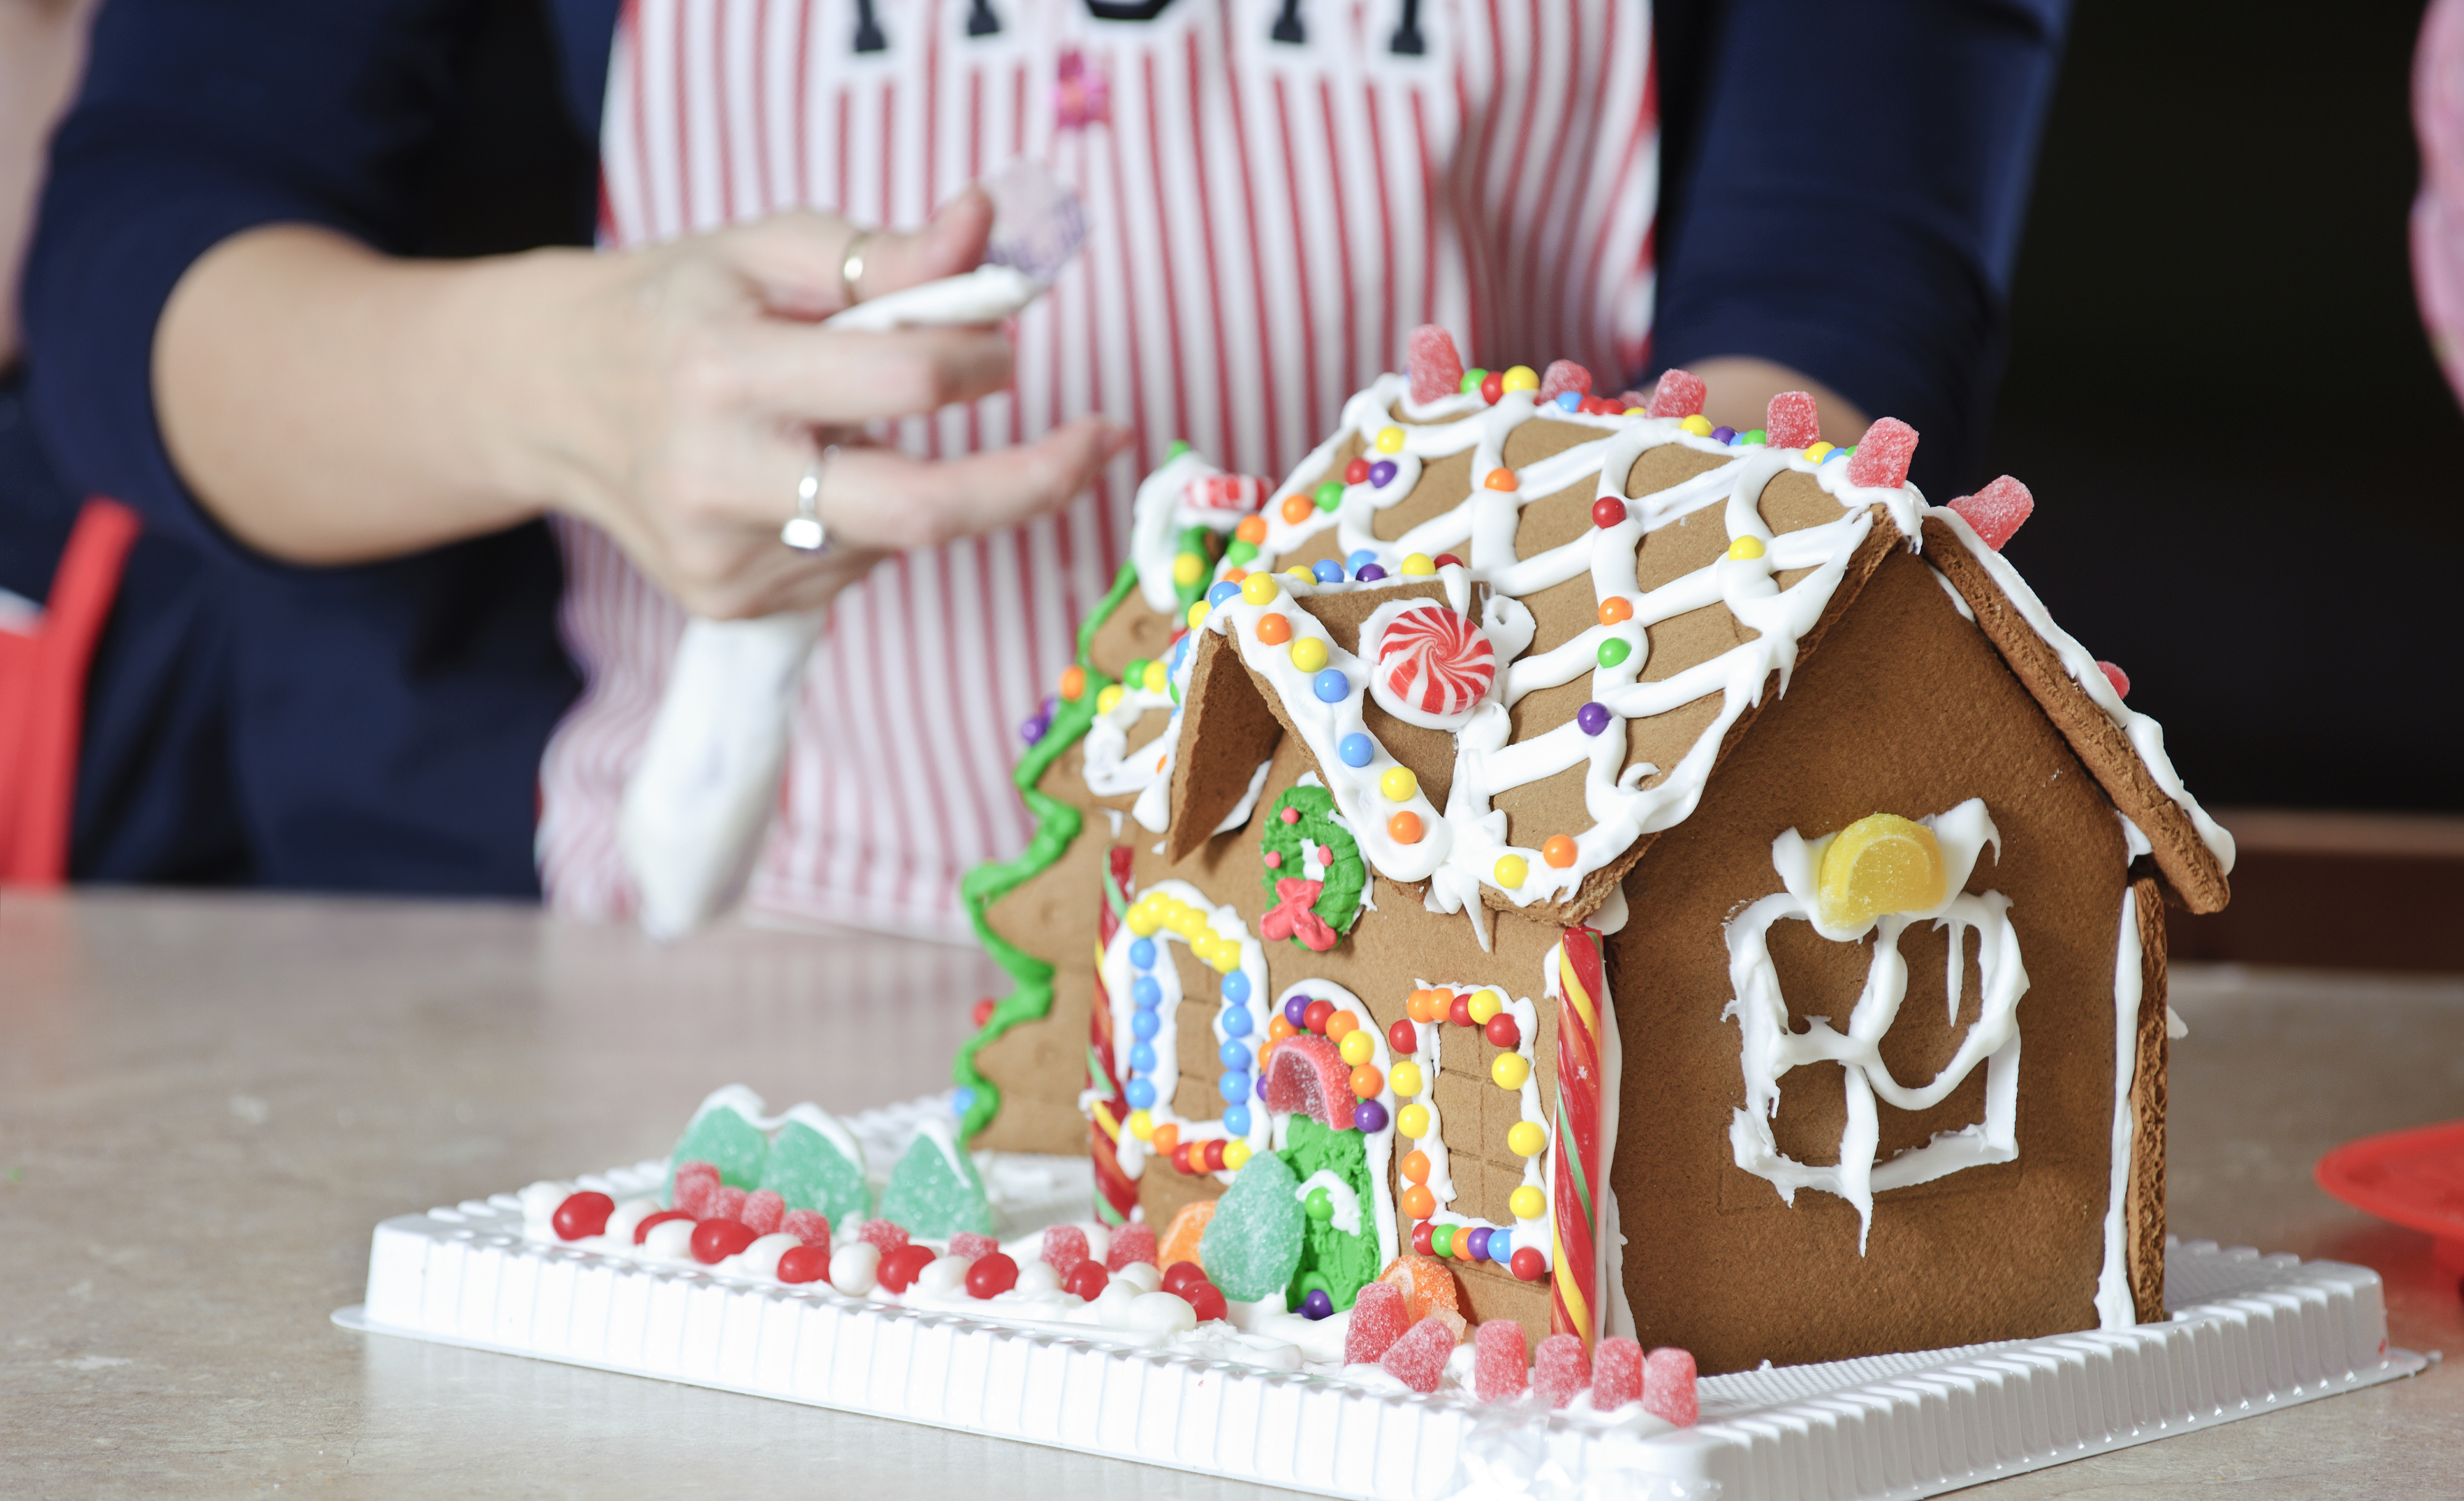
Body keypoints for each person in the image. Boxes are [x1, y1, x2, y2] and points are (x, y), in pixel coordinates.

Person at [23, 0, 2069, 933]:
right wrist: (557, 378)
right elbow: (139, 276)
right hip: (680, 930)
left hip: (1448, 955)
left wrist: (1530, 699)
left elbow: (1837, 323)